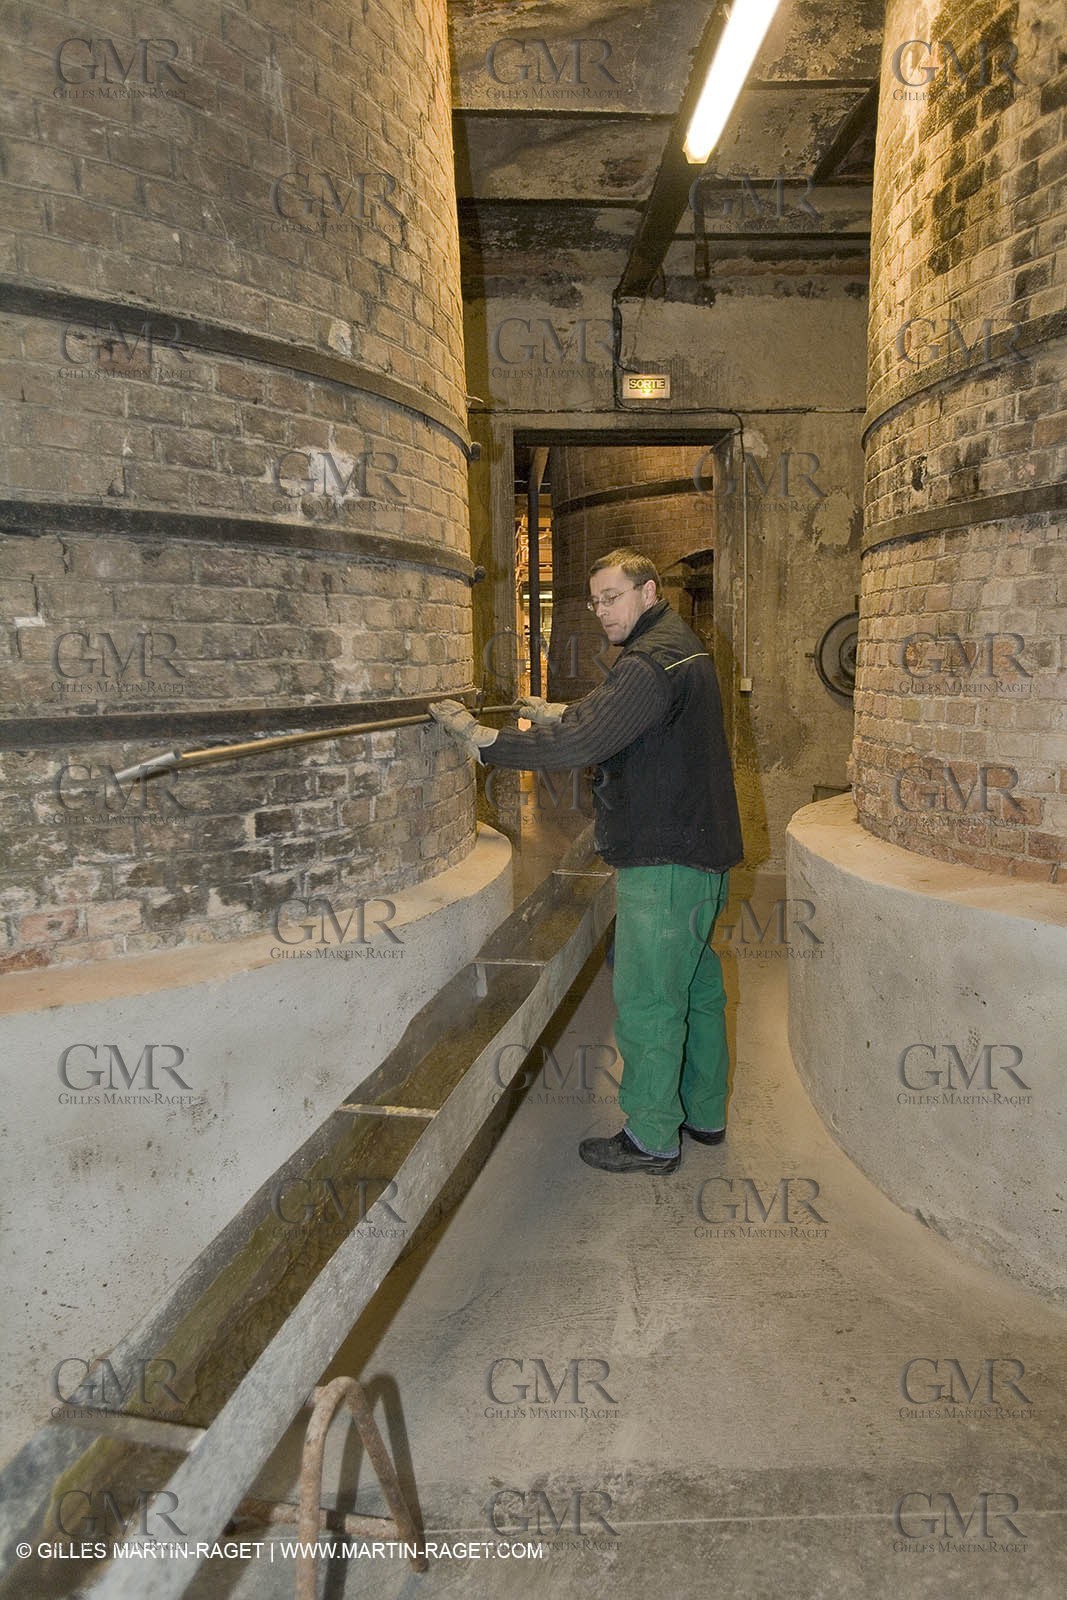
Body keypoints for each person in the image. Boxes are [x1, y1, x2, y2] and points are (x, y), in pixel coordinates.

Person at [429, 546, 743, 1175]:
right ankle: (704, 1112)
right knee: (695, 988)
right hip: (701, 855)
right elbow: (626, 720)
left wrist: (484, 742)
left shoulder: (648, 661)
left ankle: (652, 1137)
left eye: (613, 597)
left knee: (650, 999)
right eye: (595, 600)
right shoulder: (678, 646)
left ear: (648, 592)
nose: (602, 611)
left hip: (664, 861)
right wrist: (555, 711)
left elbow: (584, 742)